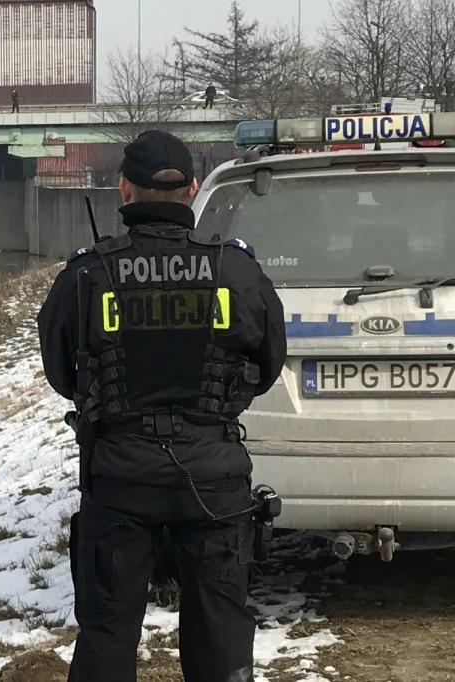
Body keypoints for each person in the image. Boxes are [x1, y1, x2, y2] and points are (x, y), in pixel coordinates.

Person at [36, 129, 287, 682]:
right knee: (221, 634)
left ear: (124, 189)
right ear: (193, 188)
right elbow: (268, 365)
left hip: (120, 479)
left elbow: (61, 374)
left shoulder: (87, 274)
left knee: (107, 633)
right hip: (215, 478)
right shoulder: (235, 270)